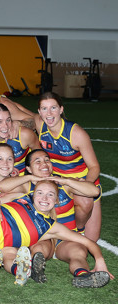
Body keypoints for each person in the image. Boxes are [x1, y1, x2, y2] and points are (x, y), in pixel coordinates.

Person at [0, 149, 107, 287]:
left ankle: (83, 276)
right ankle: (34, 267)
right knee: (38, 248)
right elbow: (2, 186)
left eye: (46, 160)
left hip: (66, 237)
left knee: (78, 252)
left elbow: (94, 191)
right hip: (44, 236)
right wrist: (30, 178)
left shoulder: (63, 183)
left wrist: (66, 180)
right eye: (37, 161)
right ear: (29, 168)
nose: (43, 163)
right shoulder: (27, 186)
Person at [35, 92, 102, 240]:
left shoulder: (76, 133)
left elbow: (94, 166)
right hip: (59, 182)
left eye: (53, 108)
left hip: (82, 179)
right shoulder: (39, 124)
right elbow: (21, 114)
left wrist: (86, 185)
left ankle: (79, 230)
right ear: (39, 112)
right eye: (44, 109)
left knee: (91, 240)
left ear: (61, 109)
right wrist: (16, 125)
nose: (49, 113)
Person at [0, 103, 40, 175]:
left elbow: (40, 157)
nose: (5, 126)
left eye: (8, 120)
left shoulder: (24, 134)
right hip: (0, 178)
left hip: (26, 177)